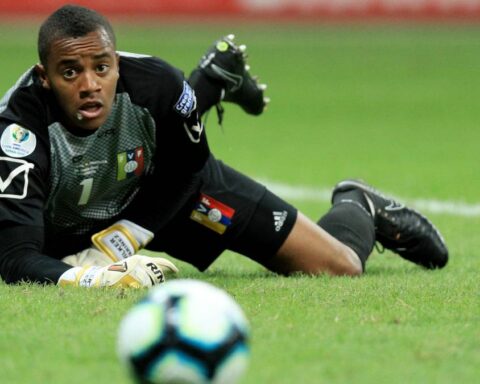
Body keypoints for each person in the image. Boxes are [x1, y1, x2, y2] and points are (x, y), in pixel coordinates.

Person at [0, 5, 448, 288]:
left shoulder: (158, 84)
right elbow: (16, 257)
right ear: (45, 77)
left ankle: (358, 203)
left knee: (341, 267)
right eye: (70, 72)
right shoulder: (17, 133)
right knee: (50, 266)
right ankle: (215, 79)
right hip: (71, 225)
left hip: (166, 192)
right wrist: (96, 278)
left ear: (117, 64)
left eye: (101, 67)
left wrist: (124, 240)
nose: (89, 85)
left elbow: (187, 168)